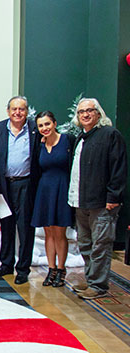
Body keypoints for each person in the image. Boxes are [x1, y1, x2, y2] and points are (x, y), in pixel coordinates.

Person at [68, 98, 127, 300]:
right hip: (81, 201)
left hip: (102, 203)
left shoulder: (110, 135)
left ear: (98, 113)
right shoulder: (81, 137)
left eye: (89, 111)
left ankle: (98, 285)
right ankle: (92, 279)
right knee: (85, 244)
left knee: (101, 245)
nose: (85, 115)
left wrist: (113, 196)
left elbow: (118, 168)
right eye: (81, 112)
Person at [0, 96, 39, 285]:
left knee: (25, 227)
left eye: (22, 109)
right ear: (8, 111)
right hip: (2, 185)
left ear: (27, 111)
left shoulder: (34, 129)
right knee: (6, 225)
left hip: (25, 184)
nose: (18, 113)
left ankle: (23, 268)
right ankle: (6, 264)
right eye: (14, 109)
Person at [31, 111, 76, 287]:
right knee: (48, 232)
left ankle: (61, 269)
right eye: (41, 125)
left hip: (62, 188)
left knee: (60, 232)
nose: (44, 128)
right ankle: (51, 269)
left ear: (55, 123)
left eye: (47, 124)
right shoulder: (39, 144)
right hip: (45, 189)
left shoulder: (67, 140)